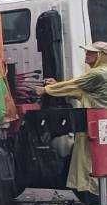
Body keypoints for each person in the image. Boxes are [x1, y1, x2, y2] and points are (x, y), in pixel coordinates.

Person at [42, 40, 107, 194]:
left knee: (91, 158)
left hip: (96, 122)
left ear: (101, 56)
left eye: (91, 52)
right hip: (97, 122)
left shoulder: (98, 73)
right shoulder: (100, 72)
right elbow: (81, 91)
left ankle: (97, 194)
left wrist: (47, 89)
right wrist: (56, 85)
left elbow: (76, 85)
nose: (86, 54)